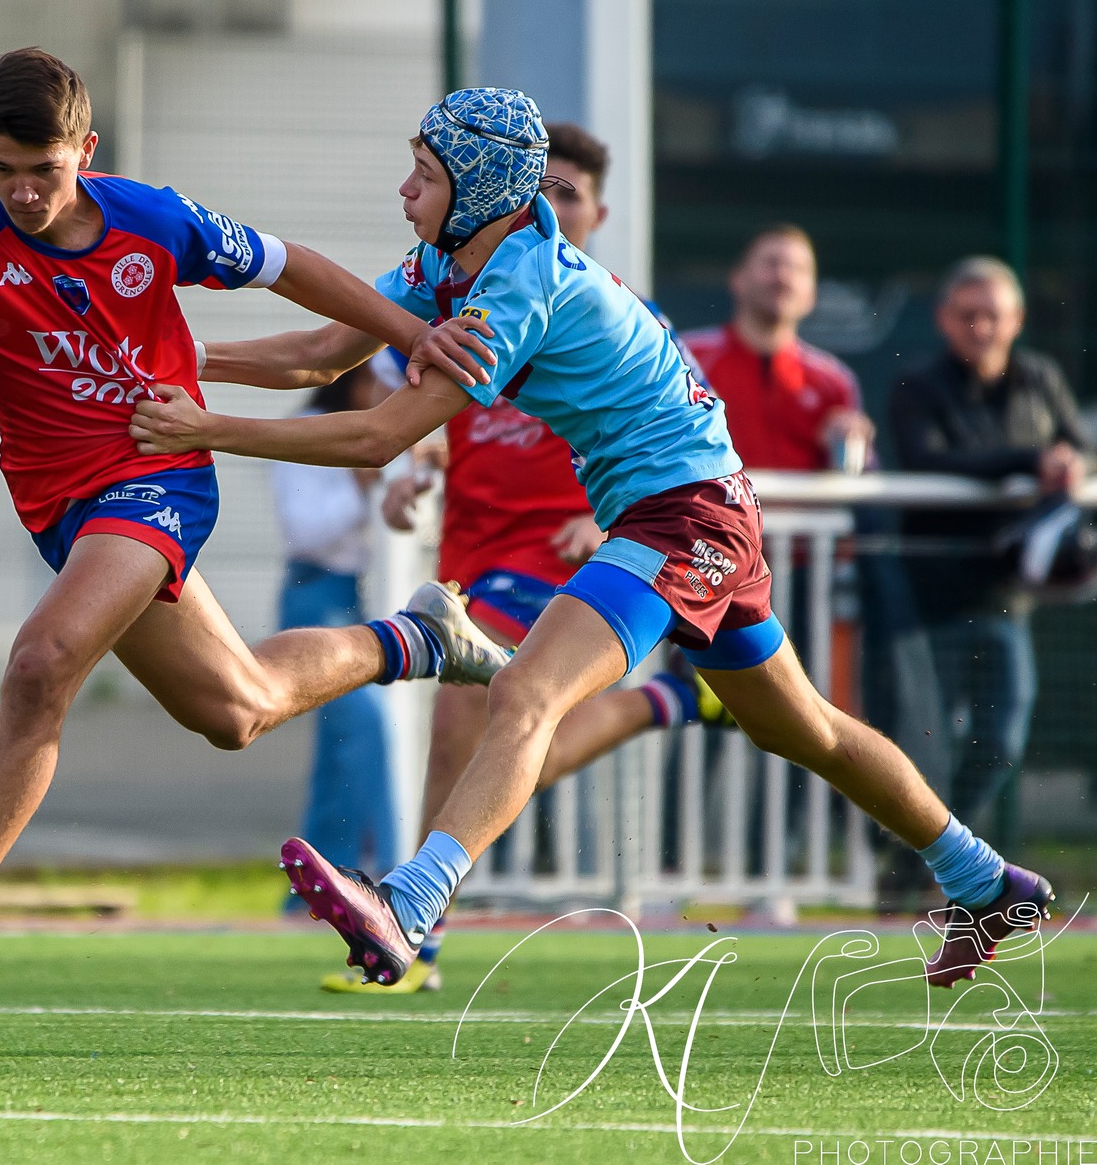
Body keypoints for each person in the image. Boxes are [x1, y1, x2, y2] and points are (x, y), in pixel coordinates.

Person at [130, 86, 1053, 991]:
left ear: (483, 192)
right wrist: (186, 358)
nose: (404, 192)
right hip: (696, 509)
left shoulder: (519, 287)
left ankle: (409, 906)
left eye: (422, 175)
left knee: (525, 690)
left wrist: (206, 428)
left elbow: (378, 434)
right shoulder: (446, 264)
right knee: (801, 727)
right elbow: (328, 353)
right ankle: (987, 880)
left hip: (682, 515)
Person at [0, 47, 508, 1004]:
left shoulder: (153, 220)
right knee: (234, 708)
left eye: (46, 170)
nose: (26, 194)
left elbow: (300, 271)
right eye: (4, 171)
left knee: (41, 661)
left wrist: (414, 334)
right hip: (58, 504)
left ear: (87, 147)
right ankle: (417, 637)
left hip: (157, 472)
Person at [332, 122, 703, 995]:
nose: (549, 205)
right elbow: (412, 402)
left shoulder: (608, 302)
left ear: (597, 210)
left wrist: (603, 519)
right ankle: (668, 701)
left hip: (560, 551)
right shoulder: (459, 287)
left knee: (483, 717)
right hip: (475, 541)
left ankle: (412, 925)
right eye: (543, 187)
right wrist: (414, 468)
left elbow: (664, 422)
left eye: (567, 192)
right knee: (498, 729)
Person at [887, 257, 1087, 846]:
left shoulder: (1040, 378)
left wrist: (1068, 464)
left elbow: (1075, 448)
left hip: (1007, 599)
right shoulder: (918, 386)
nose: (981, 328)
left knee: (1000, 742)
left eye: (992, 316)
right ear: (944, 319)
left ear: (1017, 320)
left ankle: (949, 862)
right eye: (968, 315)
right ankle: (912, 864)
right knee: (926, 745)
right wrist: (1030, 462)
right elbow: (928, 461)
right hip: (929, 601)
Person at [271, 365, 398, 903]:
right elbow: (305, 530)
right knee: (363, 726)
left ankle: (317, 886)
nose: (388, 397)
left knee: (341, 744)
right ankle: (389, 873)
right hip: (313, 594)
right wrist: (359, 485)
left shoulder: (391, 433)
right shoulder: (307, 428)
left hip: (356, 597)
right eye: (380, 382)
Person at [683, 225, 872, 471]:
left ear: (812, 294)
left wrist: (849, 442)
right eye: (771, 264)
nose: (783, 277)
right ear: (737, 279)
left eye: (798, 269)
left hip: (807, 509)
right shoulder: (687, 359)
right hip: (710, 508)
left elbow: (858, 477)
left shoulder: (835, 382)